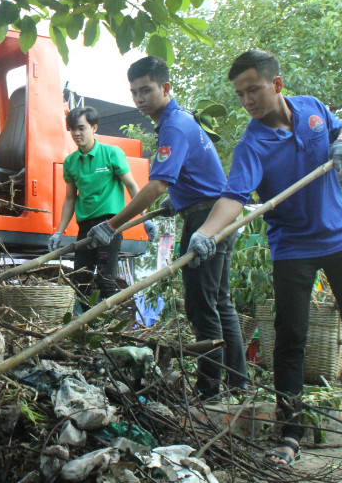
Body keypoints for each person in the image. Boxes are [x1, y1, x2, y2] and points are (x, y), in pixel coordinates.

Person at [188, 50, 342, 466]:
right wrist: (204, 233)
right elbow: (234, 198)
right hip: (292, 248)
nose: (247, 99)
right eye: (240, 94)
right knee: (290, 339)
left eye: (254, 89)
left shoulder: (313, 109)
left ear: (277, 85)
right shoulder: (252, 145)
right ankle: (290, 433)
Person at [88, 56, 248, 401]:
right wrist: (180, 198)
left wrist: (113, 225)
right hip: (214, 210)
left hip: (207, 218)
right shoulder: (178, 121)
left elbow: (157, 185)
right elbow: (188, 176)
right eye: (134, 92)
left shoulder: (175, 125)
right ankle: (238, 384)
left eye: (146, 90)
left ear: (165, 88)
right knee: (219, 301)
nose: (139, 98)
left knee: (201, 305)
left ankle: (209, 390)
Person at [48, 106, 154, 309]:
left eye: (81, 128)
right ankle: (89, 330)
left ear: (94, 128)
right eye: (72, 129)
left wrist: (145, 220)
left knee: (106, 282)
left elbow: (132, 186)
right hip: (85, 228)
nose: (76, 133)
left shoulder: (112, 153)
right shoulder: (71, 162)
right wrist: (58, 232)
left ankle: (111, 331)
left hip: (110, 225)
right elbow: (70, 199)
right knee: (81, 283)